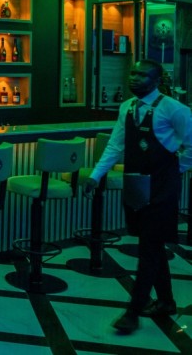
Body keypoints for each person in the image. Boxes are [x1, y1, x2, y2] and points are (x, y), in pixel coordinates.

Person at [84, 59, 192, 333]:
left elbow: (191, 143)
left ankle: (132, 313)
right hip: (135, 185)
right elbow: (115, 145)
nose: (135, 78)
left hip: (162, 187)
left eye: (143, 75)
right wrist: (96, 175)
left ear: (156, 81)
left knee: (149, 249)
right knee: (151, 244)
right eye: (133, 73)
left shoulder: (173, 108)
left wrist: (175, 168)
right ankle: (166, 301)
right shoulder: (127, 107)